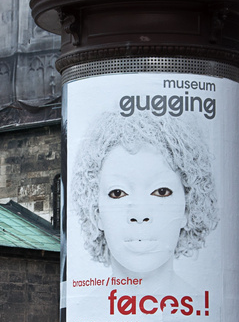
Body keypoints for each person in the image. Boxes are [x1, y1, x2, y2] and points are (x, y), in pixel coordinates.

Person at [72, 112, 218, 295]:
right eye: (117, 193)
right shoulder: (83, 315)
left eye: (161, 192)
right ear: (95, 212)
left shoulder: (211, 311)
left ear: (189, 208)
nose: (140, 214)